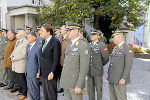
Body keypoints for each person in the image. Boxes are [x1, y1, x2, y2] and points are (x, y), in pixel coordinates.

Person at [60, 21, 90, 100]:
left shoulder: (83, 45)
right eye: (67, 31)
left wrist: (79, 85)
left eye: (70, 30)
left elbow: (84, 68)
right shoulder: (69, 44)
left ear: (76, 31)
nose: (68, 32)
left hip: (75, 83)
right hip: (66, 81)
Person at [107, 31, 134, 100]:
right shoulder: (115, 48)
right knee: (112, 96)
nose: (113, 39)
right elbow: (112, 63)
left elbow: (128, 65)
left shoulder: (127, 48)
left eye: (114, 37)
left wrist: (124, 78)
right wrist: (108, 74)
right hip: (112, 77)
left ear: (119, 38)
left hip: (120, 78)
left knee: (121, 97)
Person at [40, 24, 61, 100]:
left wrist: (52, 72)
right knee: (46, 94)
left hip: (50, 73)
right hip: (43, 72)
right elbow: (42, 57)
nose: (40, 32)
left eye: (42, 31)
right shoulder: (44, 41)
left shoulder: (55, 42)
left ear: (48, 32)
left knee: (51, 94)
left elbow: (56, 59)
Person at [87, 30, 109, 100]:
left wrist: (100, 65)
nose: (92, 36)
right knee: (90, 90)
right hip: (89, 71)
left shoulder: (101, 45)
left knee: (99, 89)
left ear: (98, 36)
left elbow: (106, 58)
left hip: (97, 71)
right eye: (91, 34)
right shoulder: (89, 44)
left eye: (94, 34)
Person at [10, 29, 28, 100]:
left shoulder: (25, 42)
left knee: (22, 80)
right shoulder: (18, 41)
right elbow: (14, 51)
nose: (16, 34)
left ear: (21, 35)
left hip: (20, 64)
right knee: (17, 79)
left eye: (17, 33)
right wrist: (11, 57)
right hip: (15, 64)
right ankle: (20, 91)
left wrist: (14, 58)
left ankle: (24, 93)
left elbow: (23, 55)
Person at [26, 31, 41, 100]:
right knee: (30, 88)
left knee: (35, 88)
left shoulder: (38, 47)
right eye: (27, 37)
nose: (27, 39)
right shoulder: (28, 46)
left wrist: (38, 72)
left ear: (34, 38)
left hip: (34, 71)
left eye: (29, 37)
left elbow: (40, 61)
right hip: (28, 71)